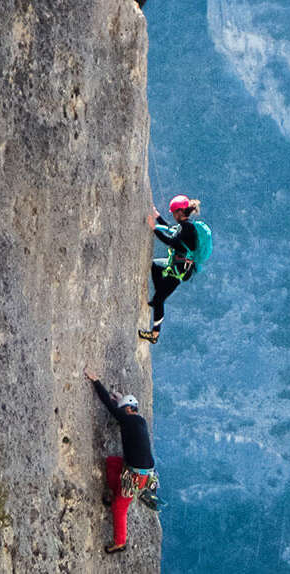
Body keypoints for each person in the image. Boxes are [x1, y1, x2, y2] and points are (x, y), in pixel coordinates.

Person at [84, 366, 155, 554]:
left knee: (119, 507)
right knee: (112, 463)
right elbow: (120, 408)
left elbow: (108, 404)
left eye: (123, 409)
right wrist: (121, 401)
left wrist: (96, 380)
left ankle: (120, 542)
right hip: (142, 473)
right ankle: (116, 495)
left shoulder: (128, 419)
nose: (121, 412)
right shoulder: (139, 420)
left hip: (136, 476)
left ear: (128, 409)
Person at [138, 194, 201, 344]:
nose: (173, 215)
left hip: (179, 271)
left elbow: (171, 241)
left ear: (180, 212)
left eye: (174, 213)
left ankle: (154, 335)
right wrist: (158, 217)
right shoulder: (185, 226)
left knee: (159, 300)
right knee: (155, 265)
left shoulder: (188, 228)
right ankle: (160, 293)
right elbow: (171, 229)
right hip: (175, 265)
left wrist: (154, 229)